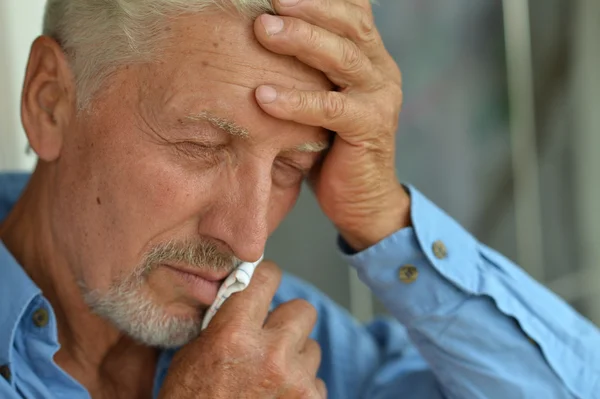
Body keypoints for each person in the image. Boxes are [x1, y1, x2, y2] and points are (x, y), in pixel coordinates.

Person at [0, 0, 598, 397]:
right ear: (50, 100)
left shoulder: (282, 348)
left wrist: (380, 216)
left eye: (293, 166)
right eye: (202, 144)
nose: (249, 238)